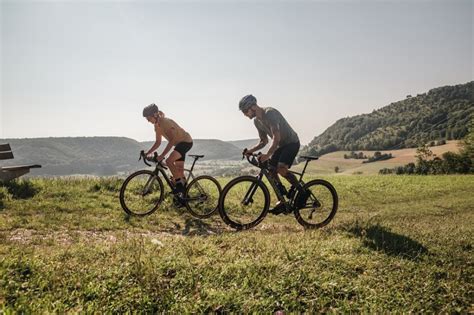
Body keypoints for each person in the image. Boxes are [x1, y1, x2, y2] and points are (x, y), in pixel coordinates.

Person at [239, 94, 302, 214]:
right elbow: (264, 141)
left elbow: (276, 138)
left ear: (253, 107)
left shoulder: (270, 113)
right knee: (271, 169)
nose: (244, 114)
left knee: (281, 169)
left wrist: (267, 155)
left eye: (245, 111)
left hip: (291, 143)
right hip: (280, 146)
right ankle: (282, 198)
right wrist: (250, 151)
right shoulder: (257, 122)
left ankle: (302, 191)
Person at [142, 103, 193, 196]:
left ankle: (179, 187)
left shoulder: (165, 122)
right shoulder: (157, 126)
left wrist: (162, 156)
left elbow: (172, 140)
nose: (148, 121)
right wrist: (148, 153)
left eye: (148, 118)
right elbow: (158, 142)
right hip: (179, 144)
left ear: (155, 115)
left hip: (186, 142)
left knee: (169, 161)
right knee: (179, 171)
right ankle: (185, 196)